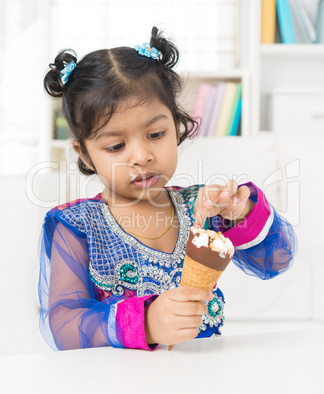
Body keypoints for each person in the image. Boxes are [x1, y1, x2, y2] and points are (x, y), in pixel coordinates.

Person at [39, 26, 296, 351]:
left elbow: (275, 260)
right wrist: (145, 323)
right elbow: (64, 326)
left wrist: (241, 213)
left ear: (176, 127)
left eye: (155, 134)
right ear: (84, 154)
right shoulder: (78, 226)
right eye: (116, 146)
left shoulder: (202, 207)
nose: (142, 155)